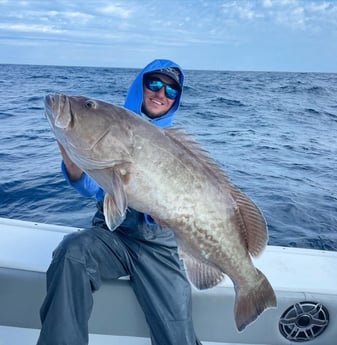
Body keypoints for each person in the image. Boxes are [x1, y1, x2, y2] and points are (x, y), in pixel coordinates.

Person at [37, 59, 202, 345]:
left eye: (171, 91)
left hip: (159, 248)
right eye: (154, 83)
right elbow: (93, 185)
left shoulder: (177, 146)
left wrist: (167, 214)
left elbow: (186, 203)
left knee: (179, 337)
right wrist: (71, 153)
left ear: (176, 100)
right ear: (140, 84)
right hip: (112, 237)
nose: (161, 94)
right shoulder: (112, 123)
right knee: (71, 252)